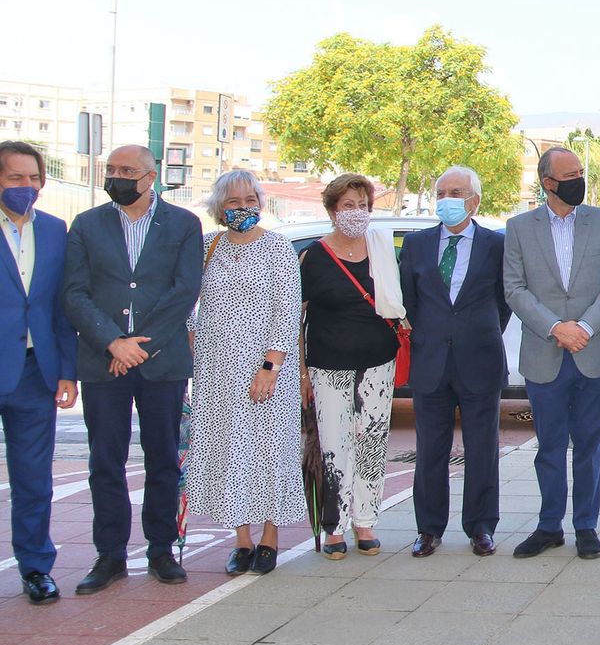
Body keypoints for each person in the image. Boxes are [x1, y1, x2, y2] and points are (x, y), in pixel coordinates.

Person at [64, 144, 202, 593]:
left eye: (127, 170)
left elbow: (184, 291)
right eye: (111, 170)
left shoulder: (184, 224)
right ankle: (110, 555)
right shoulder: (87, 224)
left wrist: (141, 346)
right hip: (104, 362)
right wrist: (113, 343)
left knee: (163, 457)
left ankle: (161, 548)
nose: (117, 177)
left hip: (161, 363)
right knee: (106, 460)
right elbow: (75, 293)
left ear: (151, 176)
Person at [504, 147, 600, 561]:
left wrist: (585, 328)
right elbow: (514, 289)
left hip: (592, 353)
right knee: (550, 447)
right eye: (569, 174)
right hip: (545, 352)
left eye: (580, 172)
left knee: (590, 446)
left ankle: (586, 526)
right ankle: (549, 525)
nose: (578, 179)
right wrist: (557, 328)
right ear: (548, 182)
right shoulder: (519, 227)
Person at [186, 169, 304, 577]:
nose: (242, 208)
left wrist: (270, 366)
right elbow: (187, 303)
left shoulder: (278, 248)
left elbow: (286, 311)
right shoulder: (207, 246)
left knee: (269, 450)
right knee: (228, 452)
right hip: (216, 369)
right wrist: (191, 345)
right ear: (220, 206)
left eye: (249, 201)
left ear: (260, 203)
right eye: (234, 202)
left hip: (266, 368)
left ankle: (270, 537)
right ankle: (242, 539)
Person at [398, 166, 511, 558]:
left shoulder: (497, 245)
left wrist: (477, 332)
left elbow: (504, 300)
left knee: (482, 448)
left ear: (474, 200)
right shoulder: (416, 245)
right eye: (441, 192)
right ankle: (428, 529)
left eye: (456, 192)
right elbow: (409, 301)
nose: (447, 198)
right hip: (430, 361)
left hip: (480, 358)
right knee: (430, 448)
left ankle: (481, 527)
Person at [299, 173, 404, 560]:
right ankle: (333, 525)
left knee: (372, 441)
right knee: (334, 445)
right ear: (331, 210)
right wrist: (302, 373)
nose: (357, 213)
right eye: (348, 206)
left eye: (363, 206)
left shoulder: (380, 248)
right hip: (328, 365)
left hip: (378, 362)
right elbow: (299, 317)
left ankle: (365, 519)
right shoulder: (313, 256)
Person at [0, 141, 78, 603]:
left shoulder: (54, 230)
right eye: (15, 178)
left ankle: (35, 568)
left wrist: (66, 370)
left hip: (35, 374)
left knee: (34, 479)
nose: (26, 187)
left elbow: (58, 307)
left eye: (34, 179)